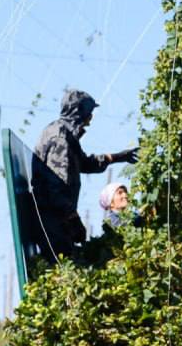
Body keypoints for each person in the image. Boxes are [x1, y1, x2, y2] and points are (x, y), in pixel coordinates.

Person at [32, 89, 138, 258]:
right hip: (53, 220)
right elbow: (56, 188)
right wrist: (73, 219)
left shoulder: (66, 135)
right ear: (78, 112)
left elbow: (85, 163)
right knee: (64, 264)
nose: (91, 118)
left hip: (56, 217)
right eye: (89, 112)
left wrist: (117, 157)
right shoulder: (61, 138)